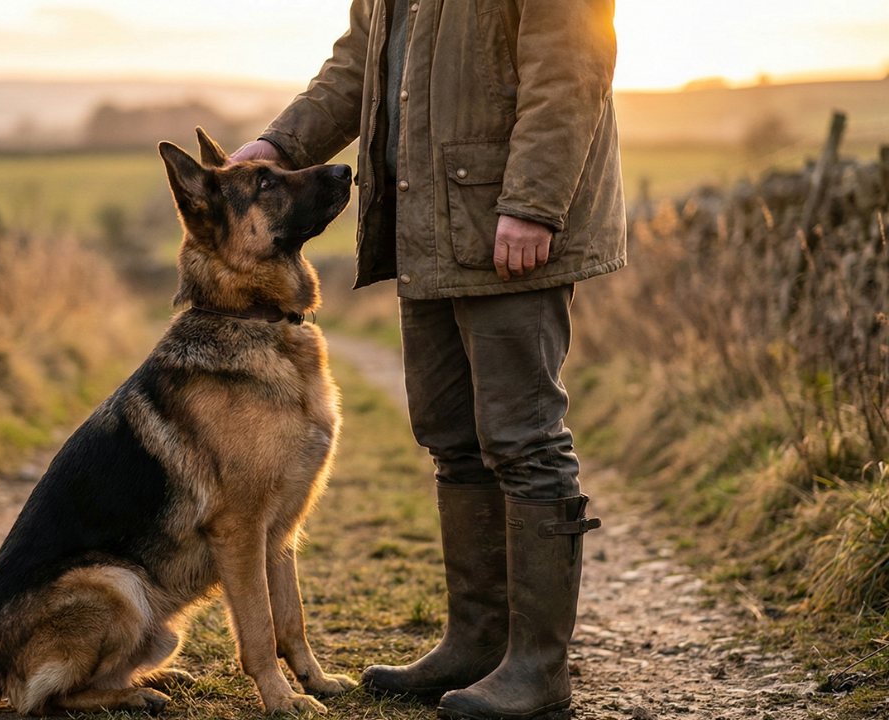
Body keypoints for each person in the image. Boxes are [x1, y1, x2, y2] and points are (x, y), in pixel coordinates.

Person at [229, 1, 625, 718]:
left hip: (508, 221)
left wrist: (533, 202)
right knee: (452, 437)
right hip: (425, 222)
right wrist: (280, 144)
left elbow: (570, 65)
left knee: (524, 439)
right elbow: (358, 62)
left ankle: (539, 670)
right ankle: (476, 644)